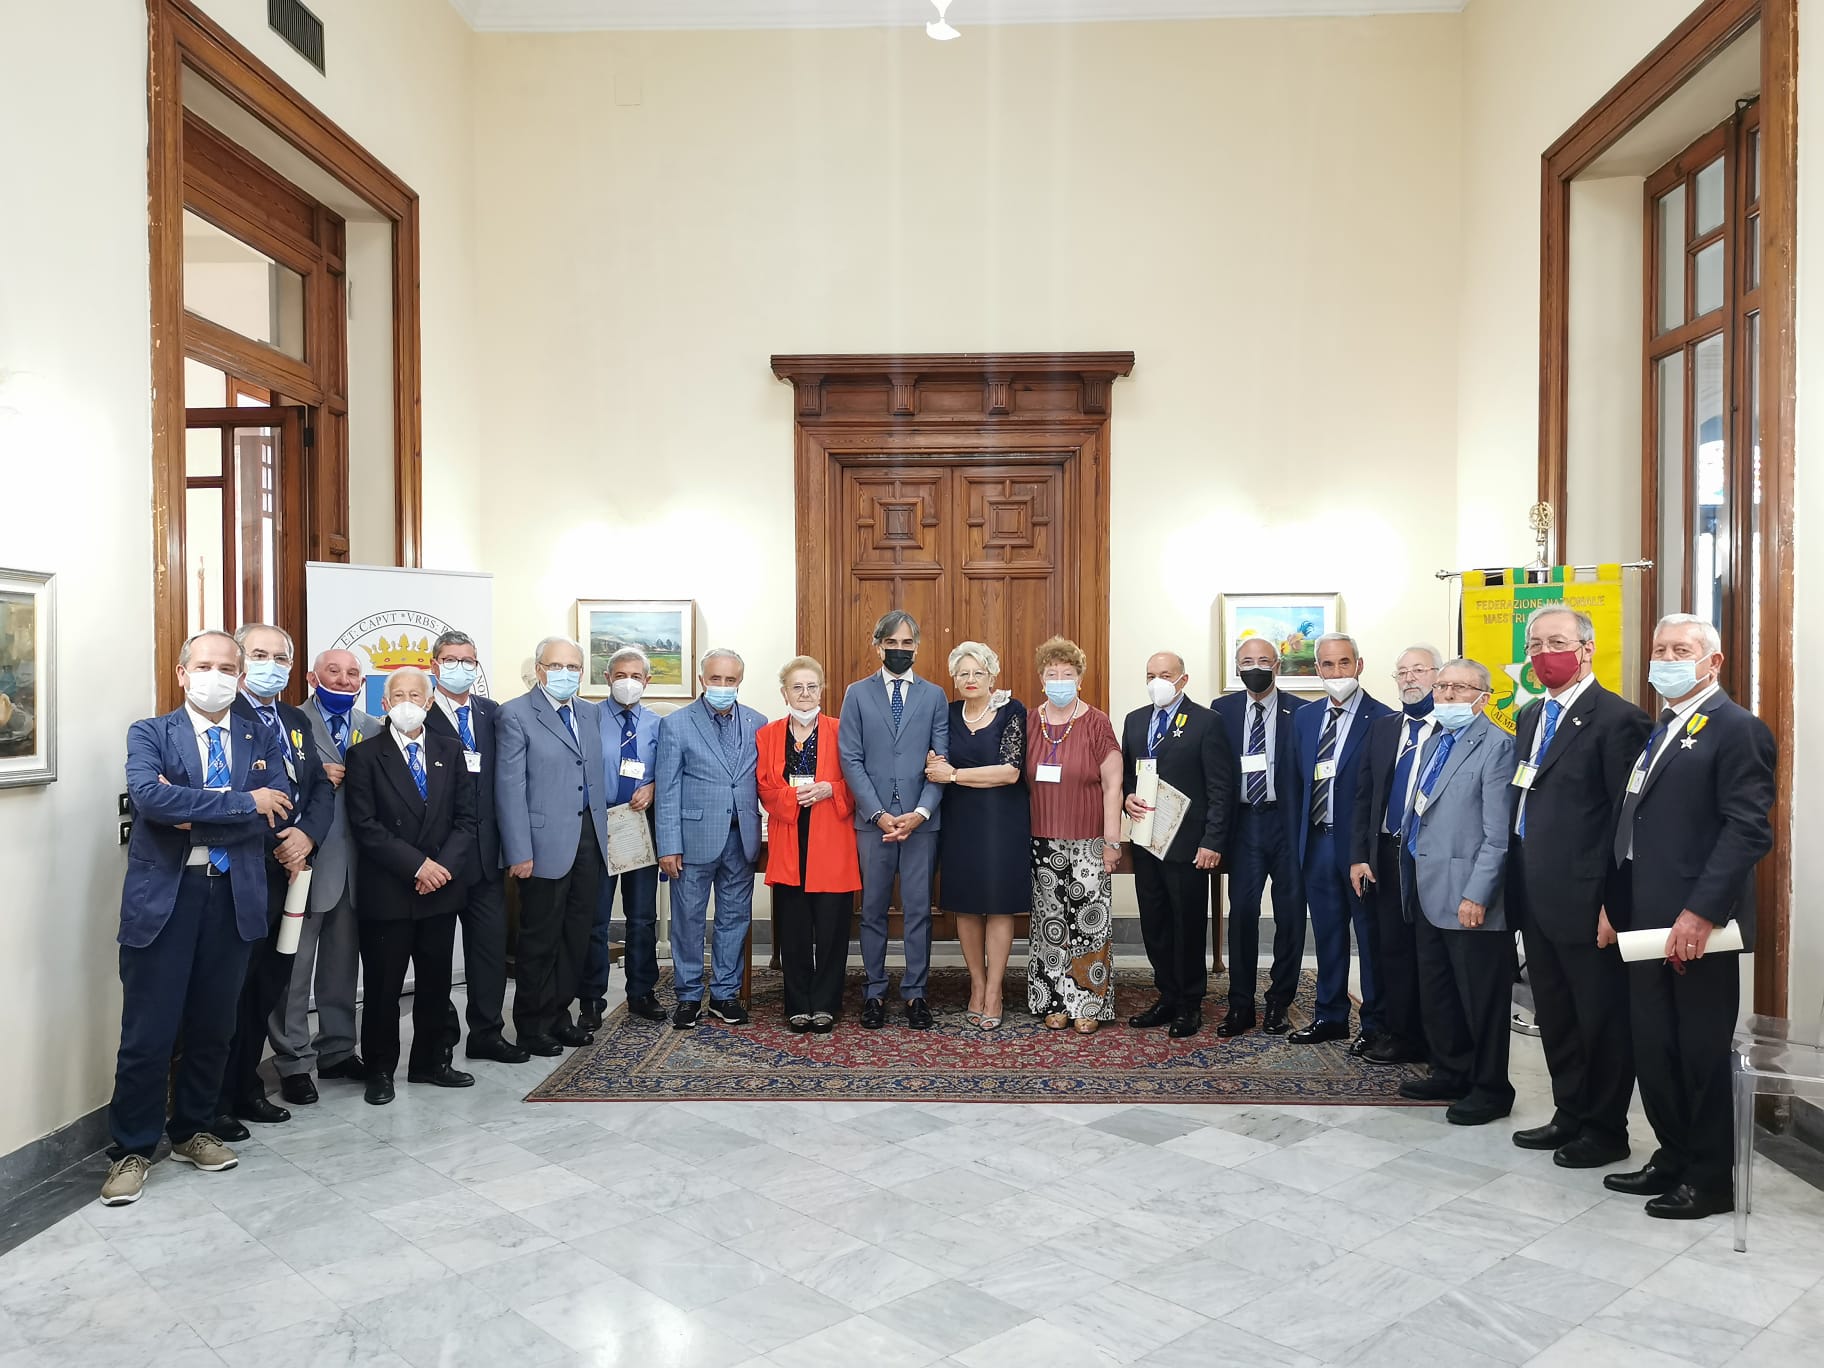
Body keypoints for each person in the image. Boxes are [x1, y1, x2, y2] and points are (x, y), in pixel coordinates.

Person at [100, 630, 295, 1206]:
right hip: (166, 899)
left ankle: (192, 1130)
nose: (217, 676)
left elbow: (278, 809)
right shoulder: (150, 733)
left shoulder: (263, 733)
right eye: (205, 665)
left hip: (234, 896)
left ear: (239, 676)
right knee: (148, 1033)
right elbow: (151, 802)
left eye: (227, 667)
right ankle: (131, 1149)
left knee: (216, 1026)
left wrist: (198, 812)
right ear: (183, 673)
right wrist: (241, 803)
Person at [1605, 613, 1775, 1219]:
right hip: (1645, 923)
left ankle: (1711, 1179)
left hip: (1694, 929)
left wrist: (1701, 913)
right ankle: (1672, 1155)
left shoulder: (1736, 729)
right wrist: (1614, 905)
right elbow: (1636, 822)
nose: (1666, 658)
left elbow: (1748, 831)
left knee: (1698, 1052)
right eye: (1659, 648)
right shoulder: (1665, 727)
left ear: (1714, 662)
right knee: (1656, 1047)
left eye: (1681, 649)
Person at [1505, 606, 1649, 1167]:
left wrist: (1616, 904)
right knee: (1556, 1013)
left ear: (1587, 648)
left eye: (1557, 642)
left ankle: (1606, 1129)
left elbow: (1626, 822)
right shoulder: (1528, 715)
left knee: (1601, 1018)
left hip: (1589, 900)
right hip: (1534, 891)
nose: (1544, 653)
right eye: (1535, 644)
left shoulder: (1618, 719)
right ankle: (1569, 1112)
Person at [215, 623, 333, 1137]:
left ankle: (247, 1089)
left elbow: (321, 789)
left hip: (294, 873)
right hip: (244, 872)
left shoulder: (295, 720)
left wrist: (305, 836)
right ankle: (215, 1103)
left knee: (267, 986)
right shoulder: (223, 716)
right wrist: (279, 843)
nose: (271, 664)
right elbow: (230, 796)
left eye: (279, 656)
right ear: (241, 662)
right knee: (230, 994)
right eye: (259, 655)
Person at [344, 667, 478, 1104]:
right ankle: (380, 1070)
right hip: (390, 889)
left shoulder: (450, 749)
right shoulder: (365, 756)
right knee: (384, 987)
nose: (405, 701)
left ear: (429, 700)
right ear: (383, 703)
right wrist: (417, 866)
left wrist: (439, 869)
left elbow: (466, 820)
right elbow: (365, 826)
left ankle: (431, 1063)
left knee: (437, 983)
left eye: (414, 694)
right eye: (396, 694)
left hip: (440, 888)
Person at [1394, 659, 1518, 1126]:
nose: (1445, 695)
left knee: (1480, 998)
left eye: (1458, 688)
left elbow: (1499, 834)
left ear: (1483, 697)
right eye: (1442, 686)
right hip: (1427, 888)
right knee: (1439, 990)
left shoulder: (1498, 747)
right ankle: (1450, 1069)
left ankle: (1489, 1088)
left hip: (1470, 896)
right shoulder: (1435, 741)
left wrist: (1479, 893)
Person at [496, 635, 609, 1056]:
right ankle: (531, 1024)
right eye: (558, 666)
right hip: (540, 845)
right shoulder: (516, 714)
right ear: (540, 669)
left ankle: (560, 1017)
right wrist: (518, 850)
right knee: (540, 938)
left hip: (588, 840)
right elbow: (510, 788)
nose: (567, 674)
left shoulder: (589, 713)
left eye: (574, 667)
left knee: (575, 935)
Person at [271, 648, 374, 1103]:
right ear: (313, 676)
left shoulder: (373, 727)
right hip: (305, 863)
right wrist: (315, 778)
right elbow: (272, 786)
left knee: (340, 968)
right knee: (294, 971)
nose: (345, 679)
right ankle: (294, 1060)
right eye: (334, 671)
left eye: (353, 673)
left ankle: (337, 1050)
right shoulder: (289, 723)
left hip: (358, 869)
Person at [838, 611, 949, 1030]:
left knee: (919, 910)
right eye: (892, 643)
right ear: (878, 644)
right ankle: (874, 992)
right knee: (872, 911)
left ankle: (916, 993)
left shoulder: (934, 695)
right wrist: (880, 813)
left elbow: (942, 761)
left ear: (917, 648)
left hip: (921, 822)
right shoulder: (857, 694)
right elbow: (850, 757)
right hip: (874, 822)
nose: (900, 650)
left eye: (907, 644)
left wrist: (921, 812)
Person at [423, 630, 527, 1063]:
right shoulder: (419, 714)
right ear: (435, 665)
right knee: (436, 955)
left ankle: (486, 1032)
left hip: (487, 857)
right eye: (451, 659)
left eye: (469, 660)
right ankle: (441, 1036)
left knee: (488, 952)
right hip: (440, 858)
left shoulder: (492, 713)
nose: (460, 667)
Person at [1122, 651, 1232, 1038]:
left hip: (1188, 846)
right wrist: (1126, 798)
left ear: (1183, 679)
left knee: (1186, 923)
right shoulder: (1135, 721)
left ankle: (1189, 1003)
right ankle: (1166, 995)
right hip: (1146, 839)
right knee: (1155, 923)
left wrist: (1213, 840)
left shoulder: (1207, 722)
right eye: (1150, 674)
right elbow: (1126, 776)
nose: (1157, 681)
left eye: (1165, 674)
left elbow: (1221, 787)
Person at [1291, 633, 1392, 1048]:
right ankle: (1330, 1016)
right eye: (1328, 666)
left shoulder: (1383, 719)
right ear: (1317, 669)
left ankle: (1374, 1024)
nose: (1337, 673)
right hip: (1317, 843)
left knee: (1369, 939)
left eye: (1344, 664)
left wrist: (1365, 852)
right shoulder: (1304, 718)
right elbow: (1296, 781)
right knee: (1328, 935)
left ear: (1360, 665)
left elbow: (1381, 793)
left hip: (1358, 851)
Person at [656, 648, 766, 1029]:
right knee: (687, 920)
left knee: (734, 918)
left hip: (742, 838)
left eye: (730, 680)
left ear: (740, 681)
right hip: (692, 839)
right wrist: (668, 845)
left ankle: (724, 994)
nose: (722, 686)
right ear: (702, 680)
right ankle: (688, 995)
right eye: (715, 679)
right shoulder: (677, 724)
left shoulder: (757, 722)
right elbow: (667, 790)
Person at [1348, 645, 1443, 1065]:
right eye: (1401, 672)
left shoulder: (1453, 727)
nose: (1409, 679)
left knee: (1432, 950)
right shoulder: (1385, 728)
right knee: (1394, 948)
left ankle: (1438, 1037)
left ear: (1437, 676)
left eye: (1418, 670)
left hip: (1433, 855)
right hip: (1387, 853)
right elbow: (1364, 795)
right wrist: (1359, 854)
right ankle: (1401, 1034)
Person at [925, 642, 1028, 1031]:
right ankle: (977, 984)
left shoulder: (1011, 711)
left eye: (978, 673)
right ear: (954, 678)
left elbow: (1009, 771)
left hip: (1002, 820)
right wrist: (937, 767)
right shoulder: (947, 713)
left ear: (992, 676)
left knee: (999, 905)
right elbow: (931, 758)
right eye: (963, 673)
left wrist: (953, 775)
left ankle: (996, 990)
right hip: (959, 819)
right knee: (966, 905)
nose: (970, 680)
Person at [1213, 638, 1311, 1037]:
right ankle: (1240, 1004)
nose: (1255, 667)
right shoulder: (1222, 711)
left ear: (1278, 665)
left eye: (1263, 661)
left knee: (1290, 916)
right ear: (1237, 666)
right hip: (1245, 825)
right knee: (1243, 915)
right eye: (1247, 661)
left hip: (1287, 825)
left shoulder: (1301, 712)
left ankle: (1279, 1002)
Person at [1026, 636, 1123, 1033]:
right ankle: (1053, 999)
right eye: (1052, 674)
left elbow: (1113, 785)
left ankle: (1088, 1003)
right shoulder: (1030, 721)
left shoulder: (1096, 722)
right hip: (1041, 840)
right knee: (1049, 923)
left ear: (1080, 679)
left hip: (1089, 841)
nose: (1060, 680)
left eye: (1068, 674)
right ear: (1041, 678)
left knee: (1088, 923)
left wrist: (1112, 842)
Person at [758, 657, 859, 1031]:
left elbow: (858, 779)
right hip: (789, 837)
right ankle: (798, 1003)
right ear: (785, 692)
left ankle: (827, 1004)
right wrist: (792, 797)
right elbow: (765, 786)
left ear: (822, 689)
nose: (805, 694)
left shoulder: (842, 729)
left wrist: (831, 788)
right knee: (794, 928)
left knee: (832, 929)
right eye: (797, 687)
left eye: (812, 686)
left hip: (832, 837)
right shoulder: (768, 734)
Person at [581, 647, 666, 1027]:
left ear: (647, 681)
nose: (628, 682)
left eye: (636, 676)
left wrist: (653, 786)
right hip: (599, 829)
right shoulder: (588, 717)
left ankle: (641, 992)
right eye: (620, 675)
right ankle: (591, 998)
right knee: (595, 919)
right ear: (607, 678)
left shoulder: (658, 724)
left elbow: (670, 770)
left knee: (642, 917)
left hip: (639, 828)